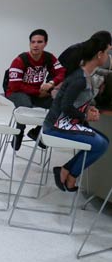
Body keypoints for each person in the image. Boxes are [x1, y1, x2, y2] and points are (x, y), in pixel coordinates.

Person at [42, 36, 110, 192]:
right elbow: (66, 106)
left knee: (103, 141)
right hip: (55, 126)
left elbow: (76, 102)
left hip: (64, 122)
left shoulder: (85, 75)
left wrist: (88, 109)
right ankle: (71, 175)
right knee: (101, 144)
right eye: (107, 52)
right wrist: (86, 116)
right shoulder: (79, 78)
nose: (108, 57)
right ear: (99, 54)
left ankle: (66, 170)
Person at [5, 29, 66, 150]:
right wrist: (38, 92)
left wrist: (51, 83)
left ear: (45, 43)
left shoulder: (48, 57)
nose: (36, 45)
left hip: (36, 92)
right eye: (33, 42)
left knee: (60, 104)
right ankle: (19, 133)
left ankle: (37, 132)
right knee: (25, 106)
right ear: (29, 43)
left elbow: (61, 71)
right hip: (16, 92)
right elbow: (15, 86)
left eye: (39, 42)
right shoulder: (20, 60)